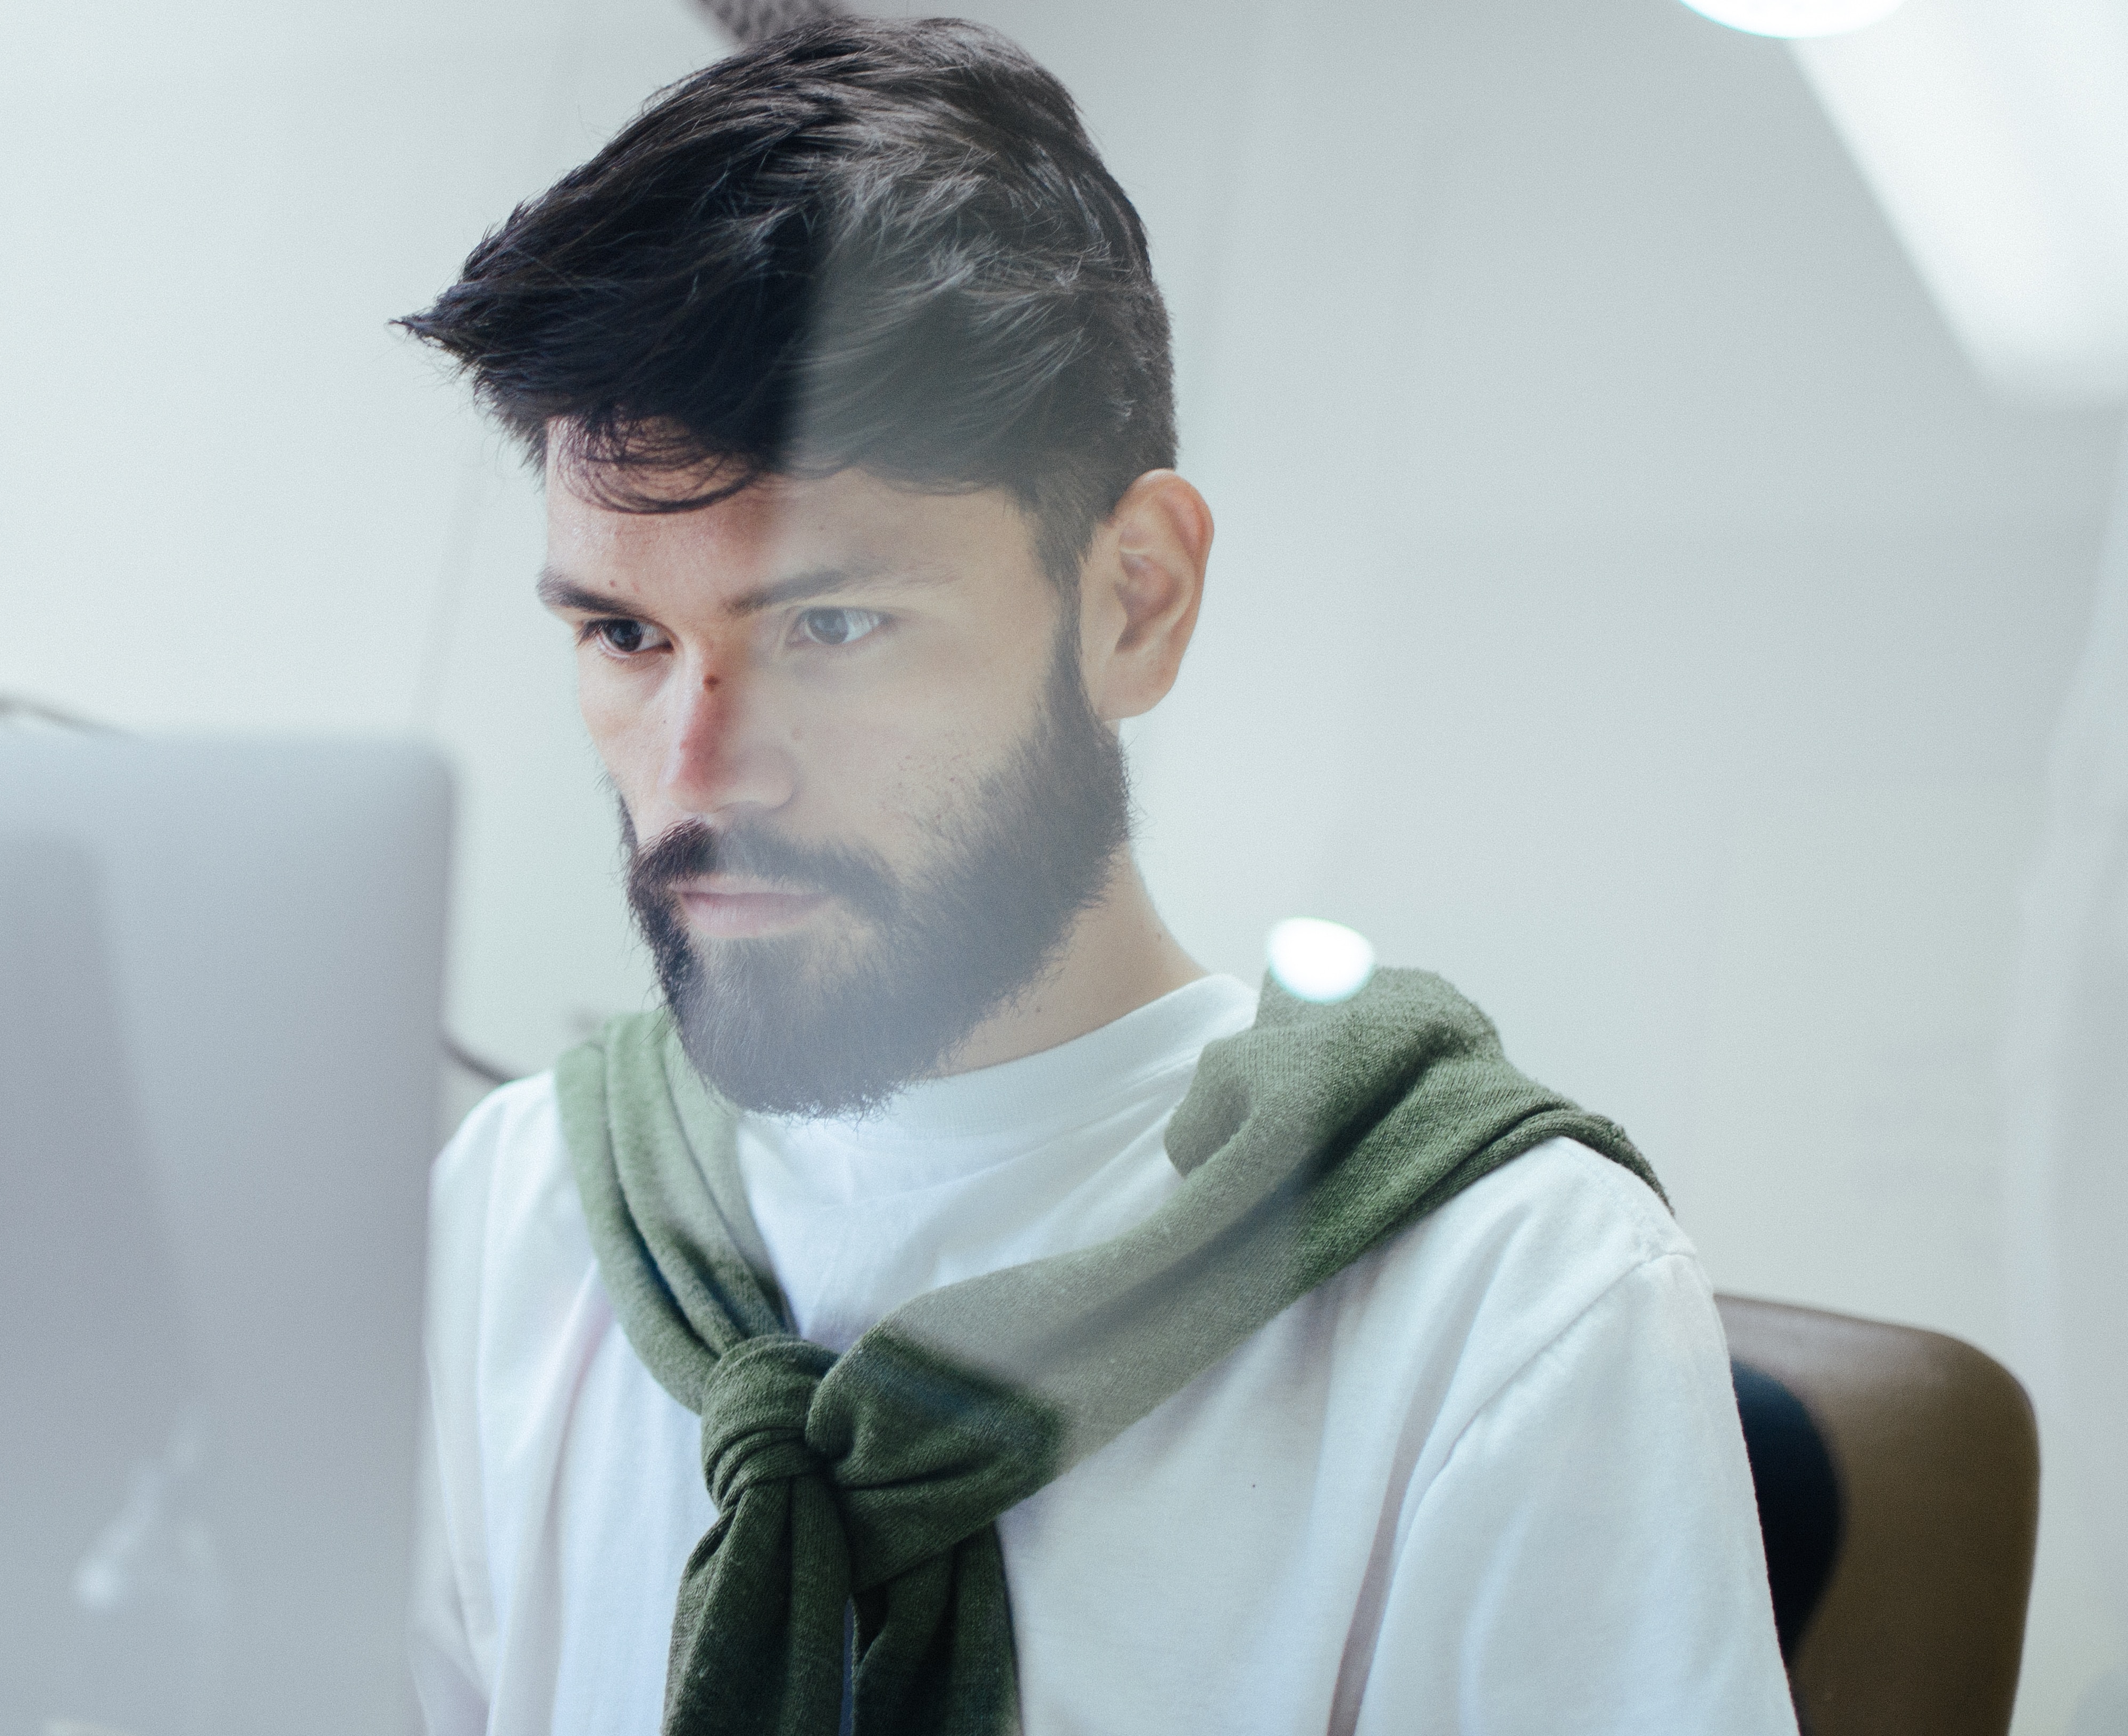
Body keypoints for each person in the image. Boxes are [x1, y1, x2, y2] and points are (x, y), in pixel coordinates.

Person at [399, 17, 1793, 1734]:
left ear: (1134, 600)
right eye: (623, 632)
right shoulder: (517, 1212)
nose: (697, 769)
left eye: (834, 625)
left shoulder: (1508, 1309)